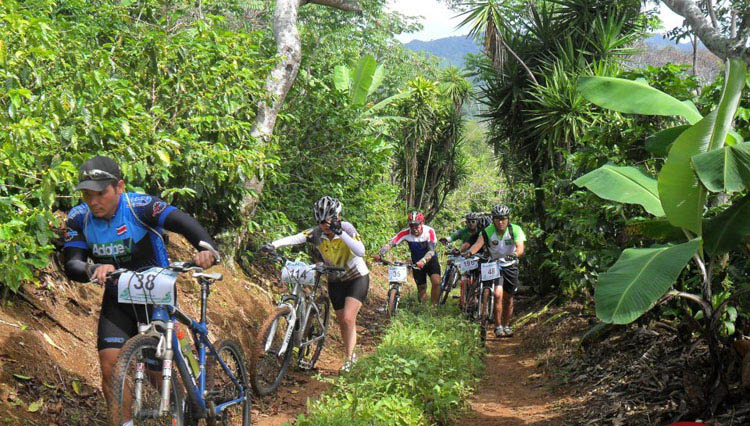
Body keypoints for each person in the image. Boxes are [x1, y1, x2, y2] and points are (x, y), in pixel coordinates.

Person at [62, 155, 218, 423]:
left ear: (119, 187)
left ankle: (184, 409)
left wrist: (206, 248)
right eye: (87, 194)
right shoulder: (79, 218)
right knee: (111, 368)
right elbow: (72, 263)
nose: (93, 201)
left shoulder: (140, 206)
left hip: (156, 291)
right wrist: (92, 269)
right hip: (118, 296)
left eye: (101, 193)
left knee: (158, 374)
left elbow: (181, 221)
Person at [261, 196, 368, 372]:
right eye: (320, 221)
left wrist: (340, 232)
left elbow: (360, 250)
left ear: (337, 217)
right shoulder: (317, 232)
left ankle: (349, 359)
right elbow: (296, 238)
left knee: (349, 318)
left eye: (328, 221)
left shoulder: (346, 228)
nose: (324, 225)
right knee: (342, 321)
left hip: (356, 277)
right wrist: (273, 245)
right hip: (335, 279)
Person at [464, 204, 526, 337]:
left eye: (503, 218)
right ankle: (498, 326)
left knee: (509, 297)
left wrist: (514, 254)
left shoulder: (515, 229)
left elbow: (520, 248)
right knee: (498, 295)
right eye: (497, 219)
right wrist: (469, 252)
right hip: (494, 265)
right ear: (493, 219)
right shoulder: (487, 231)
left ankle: (506, 325)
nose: (501, 222)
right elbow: (477, 244)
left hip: (510, 264)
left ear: (508, 219)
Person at [374, 211, 441, 304]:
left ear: (422, 224)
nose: (414, 229)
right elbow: (392, 242)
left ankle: (434, 307)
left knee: (436, 282)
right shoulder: (405, 233)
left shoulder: (429, 231)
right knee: (421, 288)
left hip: (430, 260)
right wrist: (380, 253)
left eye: (416, 226)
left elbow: (431, 251)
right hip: (416, 262)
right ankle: (423, 307)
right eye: (411, 226)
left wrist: (423, 261)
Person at [439, 212, 487, 307]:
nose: (471, 224)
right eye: (469, 222)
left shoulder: (481, 232)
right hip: (466, 255)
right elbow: (454, 238)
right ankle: (463, 300)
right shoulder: (464, 231)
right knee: (465, 276)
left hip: (480, 257)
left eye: (473, 221)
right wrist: (447, 240)